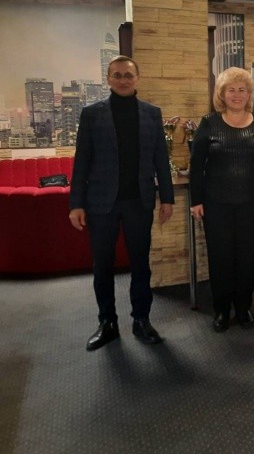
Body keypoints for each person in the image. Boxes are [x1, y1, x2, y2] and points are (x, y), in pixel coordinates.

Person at [69, 55, 174, 351]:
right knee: (103, 264)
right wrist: (76, 203)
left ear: (137, 78)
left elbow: (160, 159)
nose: (123, 80)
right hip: (101, 203)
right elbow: (82, 160)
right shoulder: (92, 114)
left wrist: (167, 198)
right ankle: (107, 322)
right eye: (117, 75)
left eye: (128, 75)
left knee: (141, 263)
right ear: (108, 79)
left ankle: (141, 319)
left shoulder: (152, 113)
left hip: (139, 201)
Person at [190, 67, 254, 332]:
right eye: (231, 90)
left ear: (249, 94)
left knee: (246, 257)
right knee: (220, 258)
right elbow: (197, 166)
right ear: (222, 94)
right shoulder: (209, 123)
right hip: (216, 204)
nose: (237, 95)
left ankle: (243, 308)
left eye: (242, 90)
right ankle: (221, 310)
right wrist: (196, 200)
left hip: (252, 202)